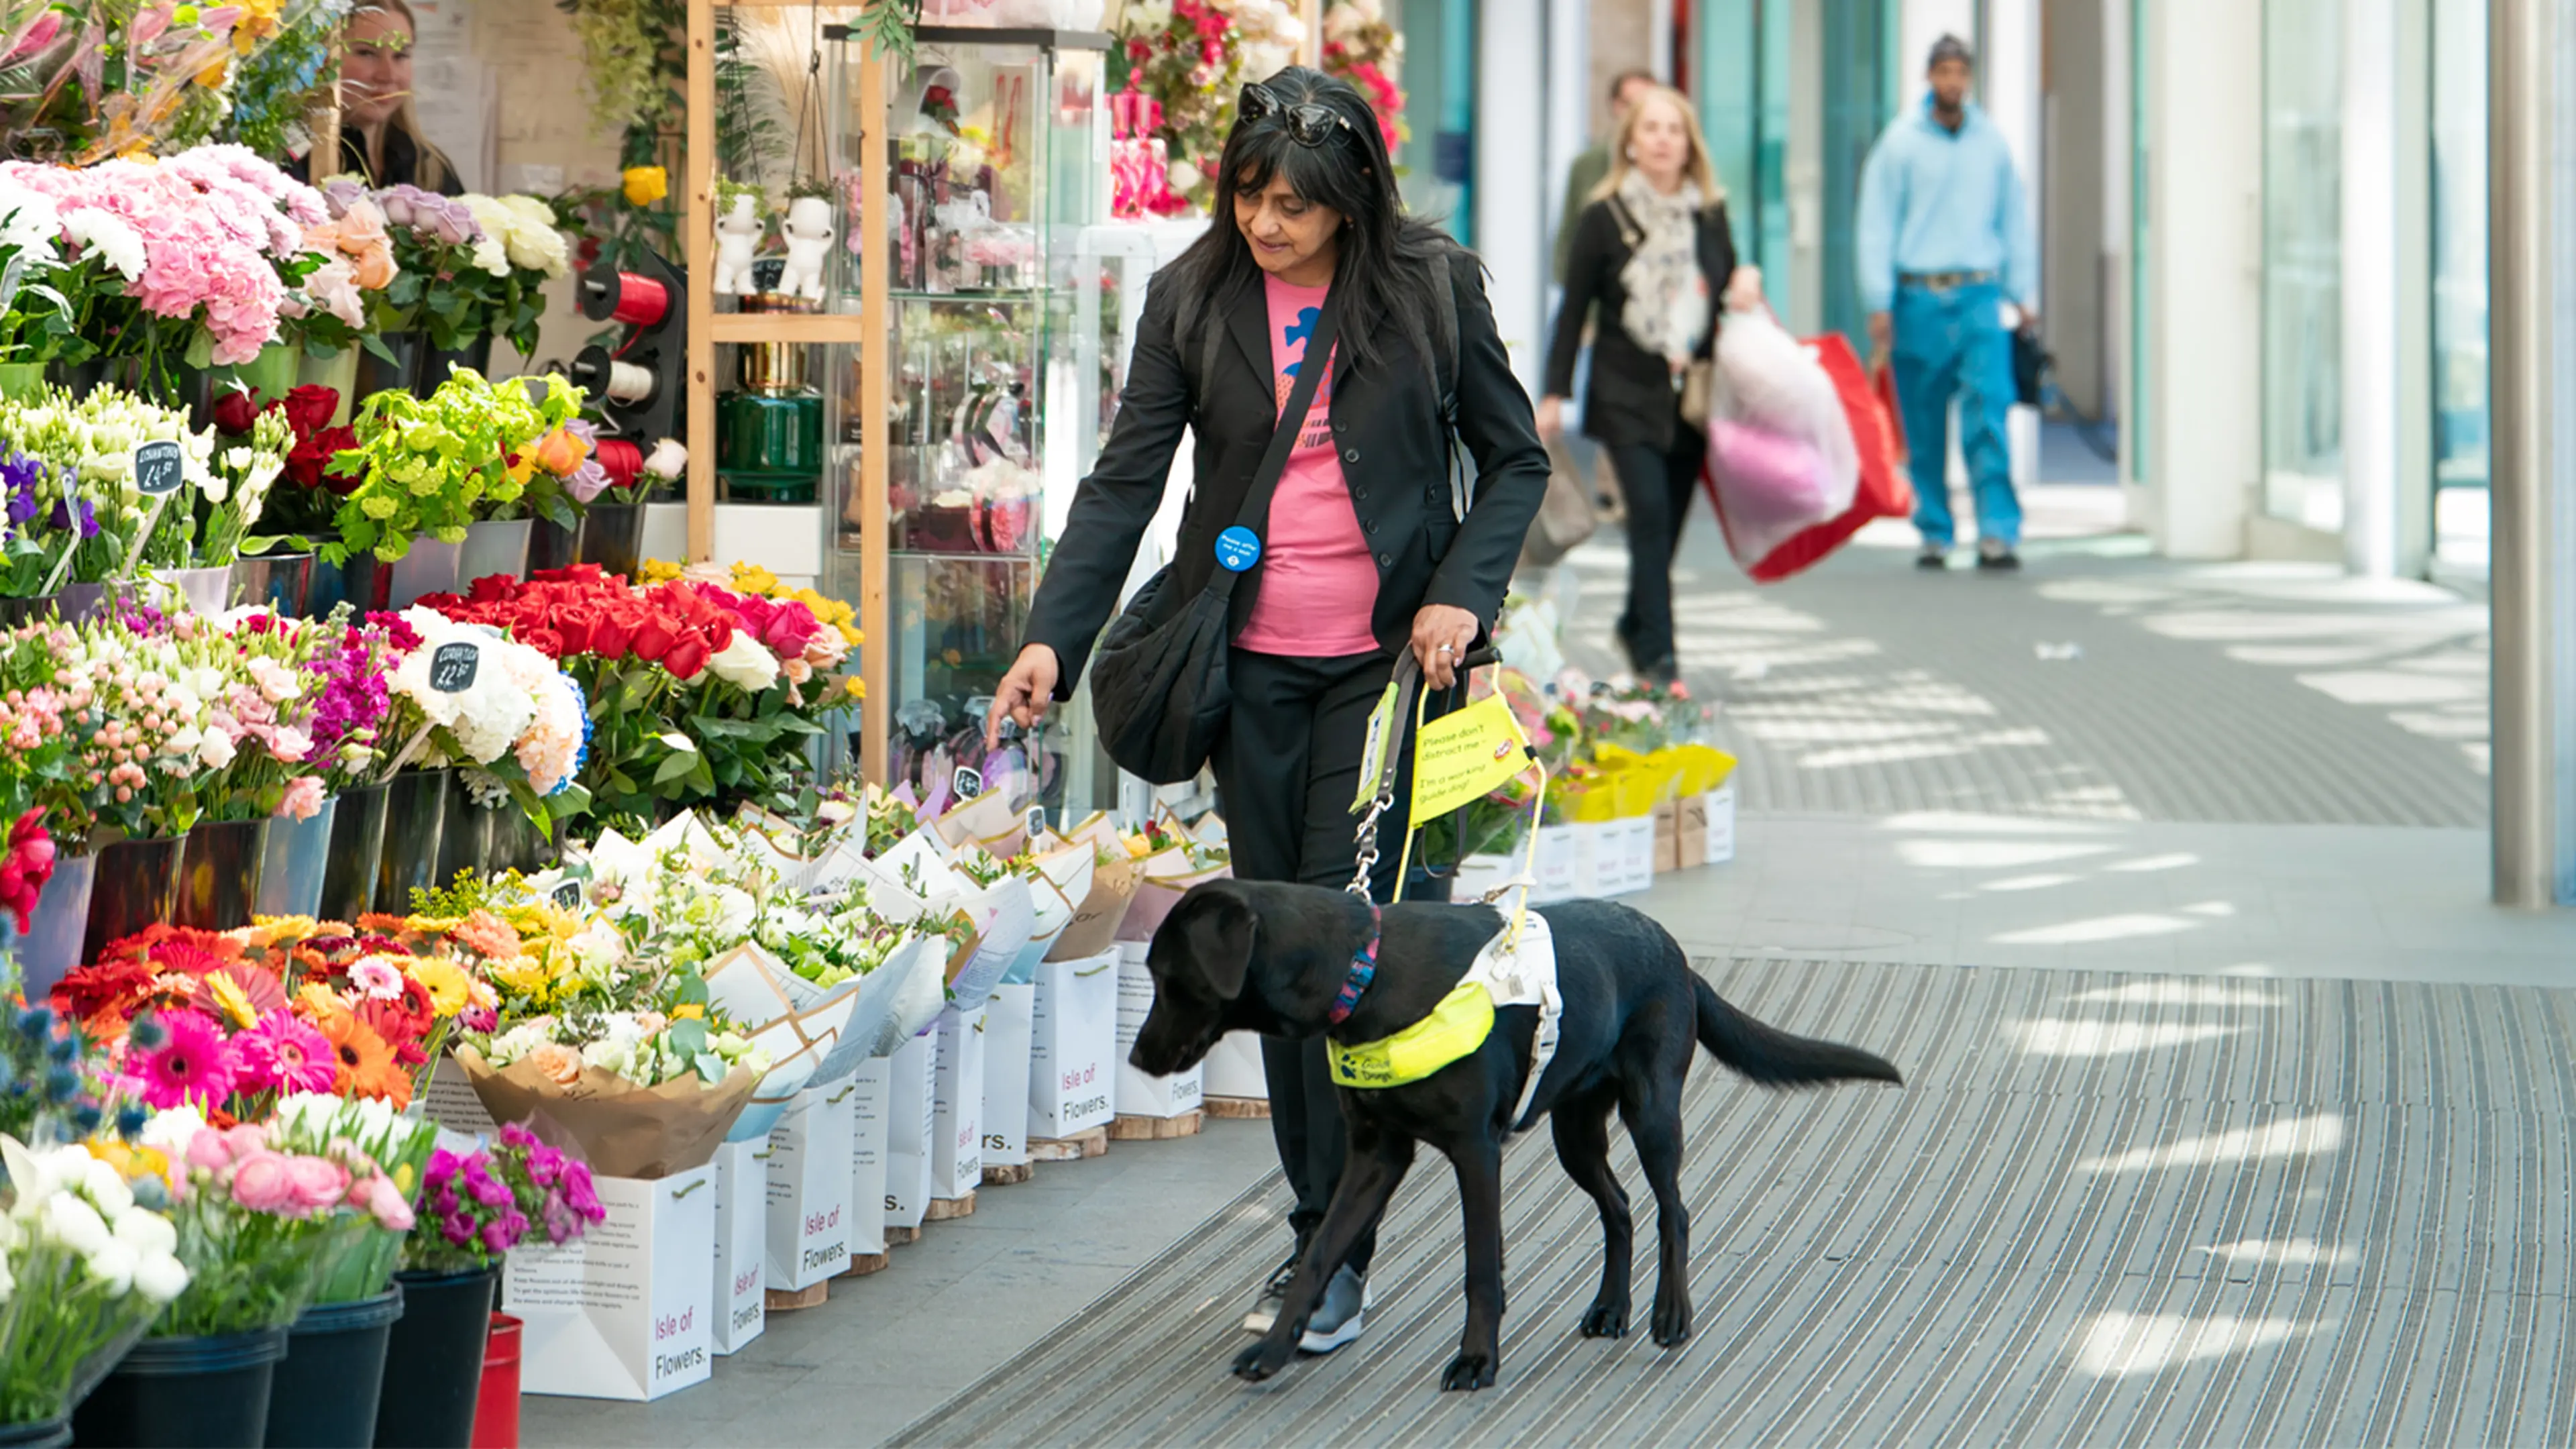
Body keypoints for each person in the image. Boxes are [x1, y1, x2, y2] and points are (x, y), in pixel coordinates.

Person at [984, 68, 1548, 1356]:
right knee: (1275, 961)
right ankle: (1320, 1231)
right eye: (1249, 194)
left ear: (1352, 199)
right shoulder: (1191, 296)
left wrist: (1462, 597)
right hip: (1244, 672)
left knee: (1339, 954)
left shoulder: (1431, 287)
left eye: (1295, 203)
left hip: (1393, 669)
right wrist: (1048, 638)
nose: (1268, 224)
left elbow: (1515, 460)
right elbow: (1126, 482)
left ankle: (1335, 1240)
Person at [1538, 85, 1759, 683]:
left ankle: (1636, 624)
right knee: (1651, 519)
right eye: (1651, 129)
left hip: (1692, 398)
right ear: (1630, 143)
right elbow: (1573, 309)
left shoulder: (1708, 214)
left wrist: (1745, 278)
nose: (1663, 139)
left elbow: (1725, 288)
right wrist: (1554, 393)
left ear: (1689, 146)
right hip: (1624, 391)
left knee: (1667, 529)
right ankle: (1661, 661)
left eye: (1675, 130)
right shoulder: (1603, 216)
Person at [1858, 34, 2037, 572]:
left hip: (1980, 294)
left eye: (1961, 72)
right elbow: (1876, 224)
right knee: (1924, 418)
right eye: (1944, 72)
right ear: (1929, 77)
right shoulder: (1900, 144)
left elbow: (2014, 218)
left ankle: (1997, 532)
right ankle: (1935, 529)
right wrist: (1878, 299)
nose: (1953, 82)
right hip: (1918, 297)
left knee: (1989, 413)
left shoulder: (1992, 145)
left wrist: (2022, 292)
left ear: (1971, 79)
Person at [300, 0, 464, 195]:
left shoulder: (430, 168)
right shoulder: (289, 162)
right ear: (322, 59)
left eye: (401, 56)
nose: (388, 75)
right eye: (367, 53)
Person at [1554, 68, 1661, 285]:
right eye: (1631, 104)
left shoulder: (1671, 167)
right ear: (1615, 105)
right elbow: (1569, 233)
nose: (1637, 114)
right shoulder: (1588, 165)